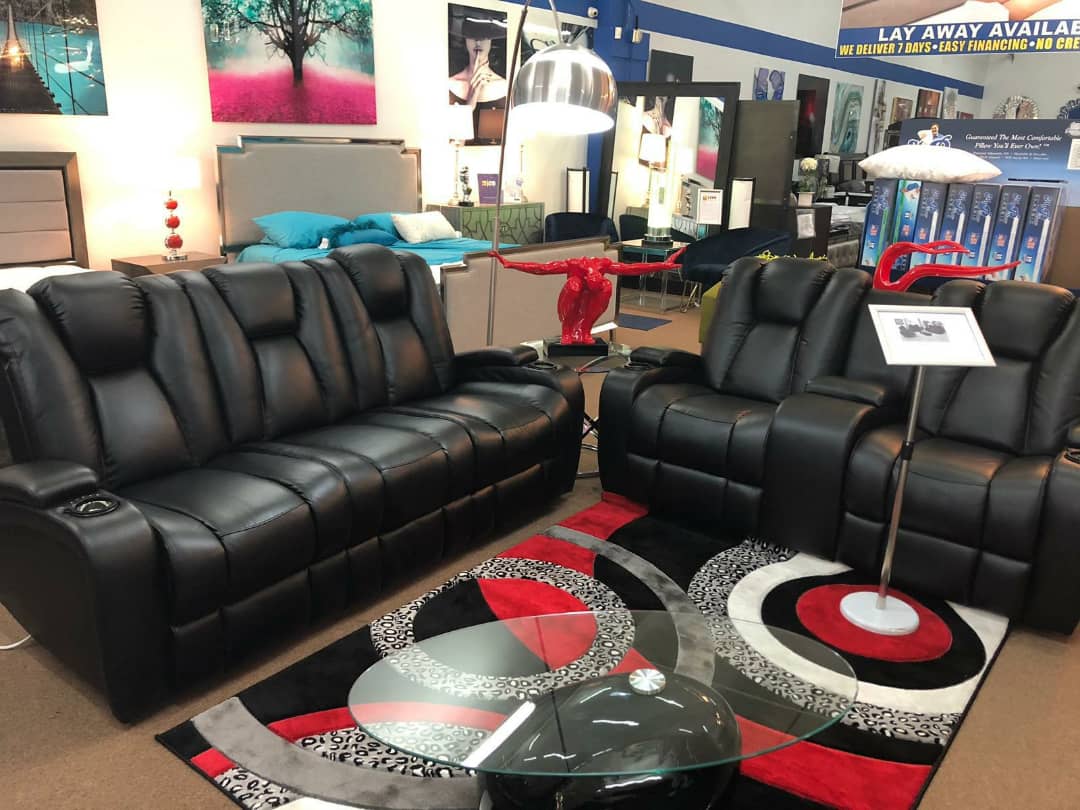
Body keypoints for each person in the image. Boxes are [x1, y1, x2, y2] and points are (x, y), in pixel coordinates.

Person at [490, 248, 687, 345]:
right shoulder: (574, 265)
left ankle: (585, 330)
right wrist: (510, 263)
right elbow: (542, 268)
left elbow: (632, 269)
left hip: (590, 302)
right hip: (572, 295)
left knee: (607, 287)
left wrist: (663, 265)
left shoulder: (603, 265)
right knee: (573, 286)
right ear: (587, 277)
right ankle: (567, 329)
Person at [448, 12, 507, 109]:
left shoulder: (506, 87)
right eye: (472, 36)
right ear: (465, 40)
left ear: (491, 40)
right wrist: (469, 105)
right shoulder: (449, 85)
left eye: (484, 37)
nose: (478, 42)